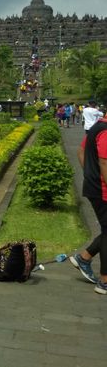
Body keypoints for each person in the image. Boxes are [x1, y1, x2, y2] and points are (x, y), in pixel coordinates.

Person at [73, 114, 107, 294]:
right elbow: (104, 162)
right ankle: (104, 281)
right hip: (103, 191)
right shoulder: (105, 131)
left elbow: (80, 151)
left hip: (94, 186)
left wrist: (89, 175)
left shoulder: (96, 127)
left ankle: (84, 258)